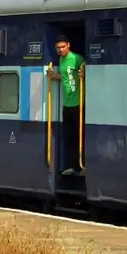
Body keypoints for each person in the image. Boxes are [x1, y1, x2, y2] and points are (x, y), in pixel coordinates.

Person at [47, 36, 85, 176]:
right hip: (67, 104)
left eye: (63, 47)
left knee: (80, 135)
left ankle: (83, 165)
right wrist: (54, 76)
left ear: (68, 45)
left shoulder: (77, 58)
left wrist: (85, 73)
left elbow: (88, 71)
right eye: (58, 48)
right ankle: (74, 166)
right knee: (70, 137)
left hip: (78, 103)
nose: (61, 50)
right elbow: (66, 77)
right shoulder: (61, 60)